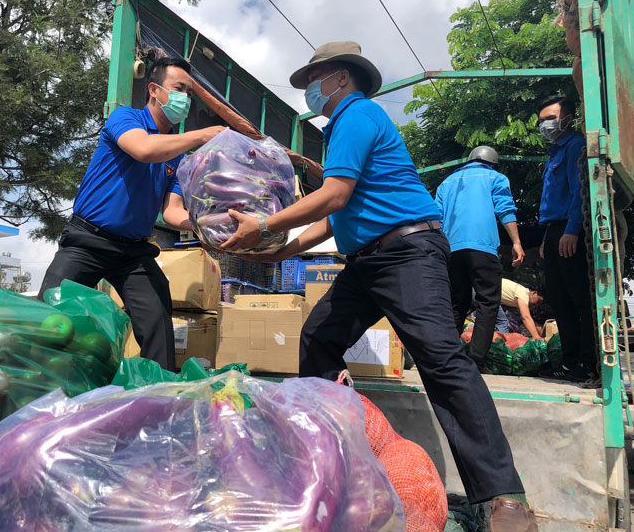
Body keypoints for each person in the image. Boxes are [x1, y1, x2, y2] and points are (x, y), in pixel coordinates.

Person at [222, 41, 537, 531]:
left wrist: (264, 227)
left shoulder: (357, 116)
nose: (310, 92)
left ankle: (503, 498)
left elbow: (333, 195)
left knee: (441, 359)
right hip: (367, 261)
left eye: (314, 80)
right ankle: (334, 453)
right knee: (318, 338)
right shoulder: (341, 132)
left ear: (341, 79)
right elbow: (336, 215)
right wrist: (281, 250)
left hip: (407, 253)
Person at [37, 57, 224, 371]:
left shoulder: (176, 157)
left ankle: (157, 394)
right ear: (154, 89)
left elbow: (172, 212)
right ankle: (28, 387)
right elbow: (144, 150)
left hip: (133, 253)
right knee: (47, 316)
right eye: (179, 89)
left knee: (157, 321)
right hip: (87, 240)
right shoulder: (125, 118)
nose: (185, 99)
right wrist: (202, 136)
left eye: (189, 93)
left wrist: (207, 228)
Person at [435, 145, 525, 372]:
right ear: (493, 163)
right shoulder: (495, 177)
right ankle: (475, 361)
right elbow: (505, 209)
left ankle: (444, 359)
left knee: (456, 304)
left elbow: (437, 218)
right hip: (482, 249)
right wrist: (516, 242)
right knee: (488, 304)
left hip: (452, 249)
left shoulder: (447, 183)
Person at [536, 95, 596, 382]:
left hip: (571, 228)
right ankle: (570, 362)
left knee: (579, 298)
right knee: (559, 300)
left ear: (568, 118)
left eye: (549, 118)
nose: (544, 125)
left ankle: (589, 362)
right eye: (541, 121)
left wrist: (573, 229)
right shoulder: (553, 154)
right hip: (554, 231)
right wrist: (549, 237)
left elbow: (579, 192)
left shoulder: (576, 147)